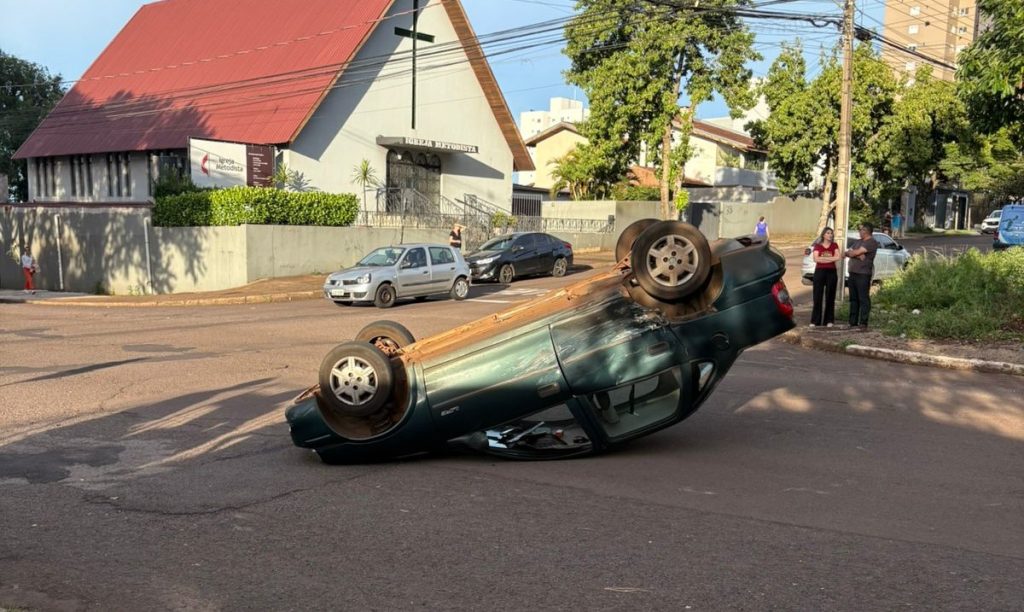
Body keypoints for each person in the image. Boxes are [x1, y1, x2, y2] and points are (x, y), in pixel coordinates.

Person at [844, 223, 879, 329]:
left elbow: (856, 252)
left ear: (867, 231)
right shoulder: (858, 242)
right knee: (853, 299)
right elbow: (848, 253)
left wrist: (855, 253)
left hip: (863, 274)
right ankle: (852, 321)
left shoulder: (871, 242)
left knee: (863, 298)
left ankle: (863, 322)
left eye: (861, 230)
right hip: (853, 273)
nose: (859, 232)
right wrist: (857, 254)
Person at [810, 227, 840, 328]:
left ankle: (829, 320)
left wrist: (823, 258)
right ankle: (815, 321)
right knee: (817, 296)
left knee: (830, 296)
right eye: (828, 233)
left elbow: (837, 257)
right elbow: (816, 259)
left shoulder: (834, 245)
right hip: (820, 272)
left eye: (831, 233)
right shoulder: (818, 246)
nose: (830, 235)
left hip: (831, 272)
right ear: (823, 235)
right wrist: (830, 259)